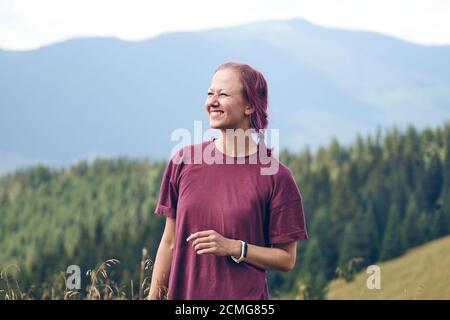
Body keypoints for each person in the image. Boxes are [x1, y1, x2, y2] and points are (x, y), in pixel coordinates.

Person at [148, 61, 308, 300]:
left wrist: (235, 247)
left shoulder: (276, 176)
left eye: (222, 94)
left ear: (250, 107)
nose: (212, 101)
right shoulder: (183, 160)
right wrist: (153, 297)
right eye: (210, 93)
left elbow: (286, 259)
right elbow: (169, 242)